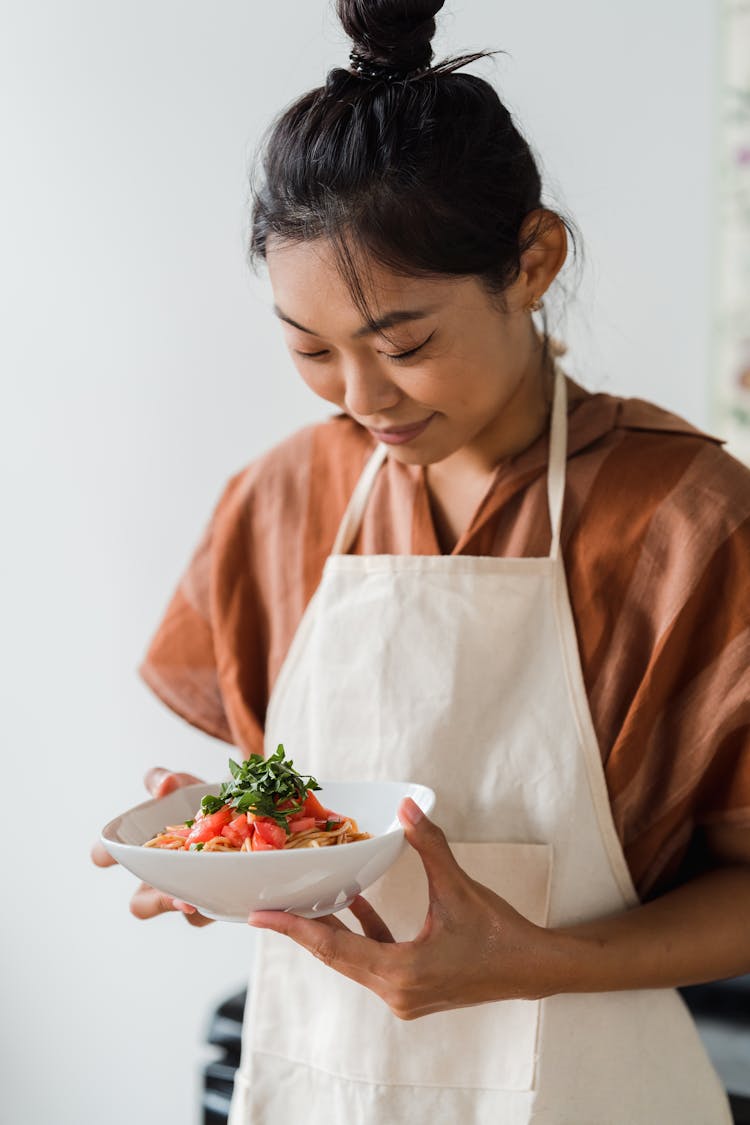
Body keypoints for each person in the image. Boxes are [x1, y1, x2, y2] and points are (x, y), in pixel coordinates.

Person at [93, 2, 750, 1121]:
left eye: (405, 344)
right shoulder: (279, 502)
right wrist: (235, 848)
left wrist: (534, 960)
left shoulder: (691, 521)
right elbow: (314, 825)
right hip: (319, 1085)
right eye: (311, 350)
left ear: (533, 261)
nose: (361, 398)